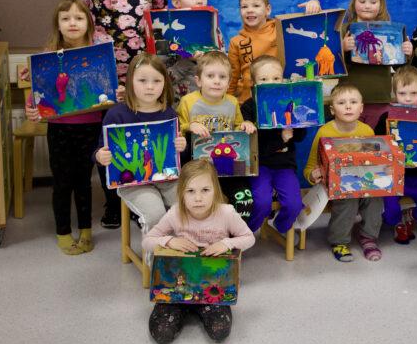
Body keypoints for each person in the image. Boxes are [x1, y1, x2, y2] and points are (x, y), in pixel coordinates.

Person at [24, 0, 118, 254]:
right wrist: (32, 107)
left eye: (78, 18)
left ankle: (86, 230)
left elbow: (107, 88)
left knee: (84, 181)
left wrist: (117, 92)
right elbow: (38, 92)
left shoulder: (98, 54)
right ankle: (63, 231)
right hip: (60, 128)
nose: (72, 23)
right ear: (58, 24)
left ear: (89, 23)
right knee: (62, 182)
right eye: (65, 18)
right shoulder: (48, 55)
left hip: (90, 127)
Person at [142, 159, 255, 344]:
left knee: (220, 331)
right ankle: (183, 308)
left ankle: (200, 308)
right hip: (178, 287)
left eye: (205, 190)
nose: (198, 198)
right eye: (190, 191)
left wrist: (226, 243)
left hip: (213, 286)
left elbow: (249, 238)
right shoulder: (175, 213)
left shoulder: (226, 213)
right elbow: (147, 241)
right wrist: (170, 241)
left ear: (215, 190)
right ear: (181, 193)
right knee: (161, 333)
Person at [95, 54, 187, 234]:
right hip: (133, 183)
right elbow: (100, 150)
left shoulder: (169, 113)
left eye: (157, 81)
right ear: (130, 82)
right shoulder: (116, 115)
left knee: (188, 206)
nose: (150, 87)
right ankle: (155, 249)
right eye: (142, 80)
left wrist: (181, 147)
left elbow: (176, 157)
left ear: (165, 83)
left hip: (167, 179)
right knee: (155, 214)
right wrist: (100, 156)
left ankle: (181, 245)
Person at [304, 83, 383, 262]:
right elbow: (310, 166)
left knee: (376, 197)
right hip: (335, 186)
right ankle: (339, 241)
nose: (348, 107)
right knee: (348, 198)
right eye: (341, 103)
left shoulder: (367, 131)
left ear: (361, 108)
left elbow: (375, 162)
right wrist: (312, 175)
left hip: (363, 180)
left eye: (353, 102)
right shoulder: (324, 132)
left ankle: (368, 238)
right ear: (332, 110)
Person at [177, 51, 256, 222]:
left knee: (245, 199)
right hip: (198, 170)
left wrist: (245, 125)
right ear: (198, 80)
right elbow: (177, 131)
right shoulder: (188, 101)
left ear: (229, 82)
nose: (216, 81)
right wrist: (190, 126)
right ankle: (206, 233)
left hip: (228, 167)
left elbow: (238, 127)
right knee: (202, 206)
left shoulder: (232, 102)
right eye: (210, 76)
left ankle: (234, 234)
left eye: (222, 77)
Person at [240, 55, 306, 237]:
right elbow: (254, 147)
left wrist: (297, 125)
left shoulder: (289, 104)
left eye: (276, 78)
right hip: (259, 165)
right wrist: (281, 139)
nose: (270, 83)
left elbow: (300, 137)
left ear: (283, 80)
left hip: (284, 165)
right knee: (261, 203)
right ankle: (246, 233)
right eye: (264, 79)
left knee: (294, 204)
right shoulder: (248, 107)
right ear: (254, 83)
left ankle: (280, 225)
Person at [227, 0, 320, 103]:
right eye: (244, 6)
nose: (250, 10)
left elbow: (309, 33)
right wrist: (226, 101)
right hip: (249, 101)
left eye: (256, 5)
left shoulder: (280, 30)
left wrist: (314, 4)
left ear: (268, 10)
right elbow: (232, 77)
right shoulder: (236, 41)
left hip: (282, 97)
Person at [373, 66, 417, 244]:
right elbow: (376, 145)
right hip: (390, 176)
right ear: (394, 93)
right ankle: (397, 221)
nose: (408, 99)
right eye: (402, 93)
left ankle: (411, 215)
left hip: (414, 176)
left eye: (413, 93)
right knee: (390, 209)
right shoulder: (385, 117)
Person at [340, 0, 414, 115]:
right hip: (349, 99)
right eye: (362, 1)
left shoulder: (391, 31)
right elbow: (332, 64)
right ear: (354, 3)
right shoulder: (344, 30)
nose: (367, 6)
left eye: (373, 2)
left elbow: (401, 67)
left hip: (380, 97)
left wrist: (407, 52)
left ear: (381, 5)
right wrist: (343, 48)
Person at [166, 0, 226, 107]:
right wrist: (188, 61)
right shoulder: (168, 34)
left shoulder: (213, 30)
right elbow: (164, 79)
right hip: (178, 104)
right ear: (176, 2)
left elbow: (224, 66)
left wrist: (209, 58)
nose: (199, 1)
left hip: (209, 103)